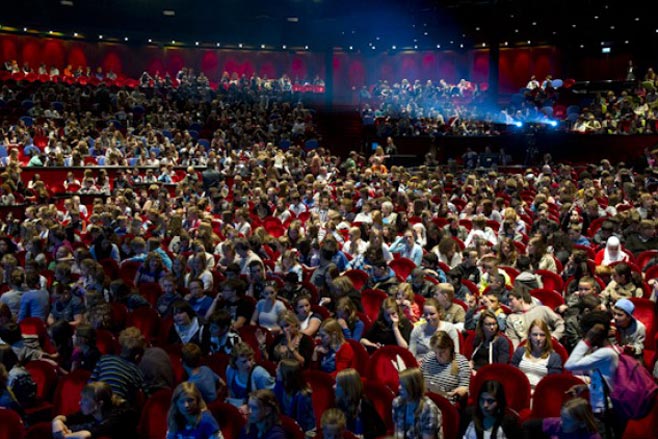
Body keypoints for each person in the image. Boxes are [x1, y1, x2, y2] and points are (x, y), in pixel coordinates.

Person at [564, 311, 622, 439]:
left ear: (596, 333)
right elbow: (608, 380)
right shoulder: (603, 351)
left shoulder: (606, 354)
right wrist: (587, 387)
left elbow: (570, 365)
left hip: (606, 412)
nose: (583, 336)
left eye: (585, 332)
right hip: (601, 408)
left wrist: (587, 340)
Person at [51, 381, 138, 439]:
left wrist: (64, 435)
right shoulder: (92, 411)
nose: (79, 403)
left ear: (99, 404)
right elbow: (67, 418)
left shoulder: (116, 418)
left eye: (85, 400)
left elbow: (85, 435)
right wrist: (56, 421)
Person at [510, 319, 563, 392]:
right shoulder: (520, 351)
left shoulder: (554, 358)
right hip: (519, 391)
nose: (538, 338)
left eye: (542, 335)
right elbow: (512, 375)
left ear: (547, 337)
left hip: (542, 394)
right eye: (535, 334)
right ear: (529, 336)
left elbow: (553, 384)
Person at [420, 331, 470, 406]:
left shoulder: (461, 362)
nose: (438, 355)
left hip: (447, 401)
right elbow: (420, 378)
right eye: (435, 352)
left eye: (442, 352)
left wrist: (456, 392)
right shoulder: (429, 357)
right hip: (427, 398)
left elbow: (464, 387)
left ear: (449, 348)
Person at [392, 367, 443, 439]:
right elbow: (398, 432)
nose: (399, 388)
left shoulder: (429, 409)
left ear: (414, 387)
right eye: (399, 384)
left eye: (403, 385)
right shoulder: (397, 402)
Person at [334, 368, 386, 439]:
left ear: (347, 388)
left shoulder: (364, 404)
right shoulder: (339, 403)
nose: (333, 387)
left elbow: (381, 430)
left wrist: (361, 437)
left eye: (338, 385)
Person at [225, 342, 275, 409]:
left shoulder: (259, 373)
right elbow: (230, 390)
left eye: (250, 359)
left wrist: (248, 407)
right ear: (235, 362)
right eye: (244, 361)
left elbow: (271, 398)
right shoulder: (230, 370)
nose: (249, 364)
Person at [273, 359, 316, 435]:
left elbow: (304, 424)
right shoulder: (279, 386)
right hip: (284, 426)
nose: (275, 370)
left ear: (286, 375)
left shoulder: (303, 397)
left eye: (278, 369)